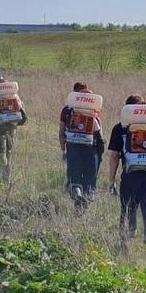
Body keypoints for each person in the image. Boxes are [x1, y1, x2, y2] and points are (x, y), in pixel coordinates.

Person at [106, 94, 146, 268]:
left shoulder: (120, 129)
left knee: (127, 212)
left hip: (130, 178)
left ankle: (123, 254)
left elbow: (114, 156)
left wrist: (111, 181)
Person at [59, 82, 104, 214]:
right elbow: (99, 134)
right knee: (90, 178)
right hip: (91, 149)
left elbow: (61, 132)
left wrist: (63, 150)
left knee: (75, 176)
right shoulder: (93, 111)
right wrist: (100, 154)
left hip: (72, 148)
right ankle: (86, 203)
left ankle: (77, 197)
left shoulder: (67, 110)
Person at [0, 74, 27, 182]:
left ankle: (3, 176)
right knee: (9, 150)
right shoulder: (13, 93)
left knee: (1, 151)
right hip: (13, 124)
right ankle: (8, 176)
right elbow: (21, 107)